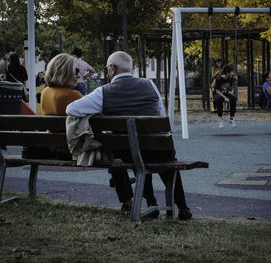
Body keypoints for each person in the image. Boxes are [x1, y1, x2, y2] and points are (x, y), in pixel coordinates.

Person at [66, 51, 192, 220]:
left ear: (111, 69)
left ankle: (151, 203)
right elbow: (161, 115)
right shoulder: (149, 85)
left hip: (128, 153)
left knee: (136, 153)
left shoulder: (102, 92)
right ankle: (183, 208)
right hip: (160, 150)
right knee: (161, 156)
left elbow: (71, 109)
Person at [40, 53, 83, 159]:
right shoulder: (72, 96)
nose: (79, 76)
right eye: (76, 71)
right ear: (65, 73)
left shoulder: (45, 92)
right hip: (72, 150)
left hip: (54, 147)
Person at [213, 64, 238, 128]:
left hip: (225, 93)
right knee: (219, 100)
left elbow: (229, 89)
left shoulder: (230, 78)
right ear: (227, 73)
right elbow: (217, 91)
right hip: (218, 94)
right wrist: (225, 98)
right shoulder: (219, 79)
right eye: (231, 72)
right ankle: (220, 119)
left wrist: (233, 81)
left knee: (233, 99)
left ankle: (231, 118)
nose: (232, 73)